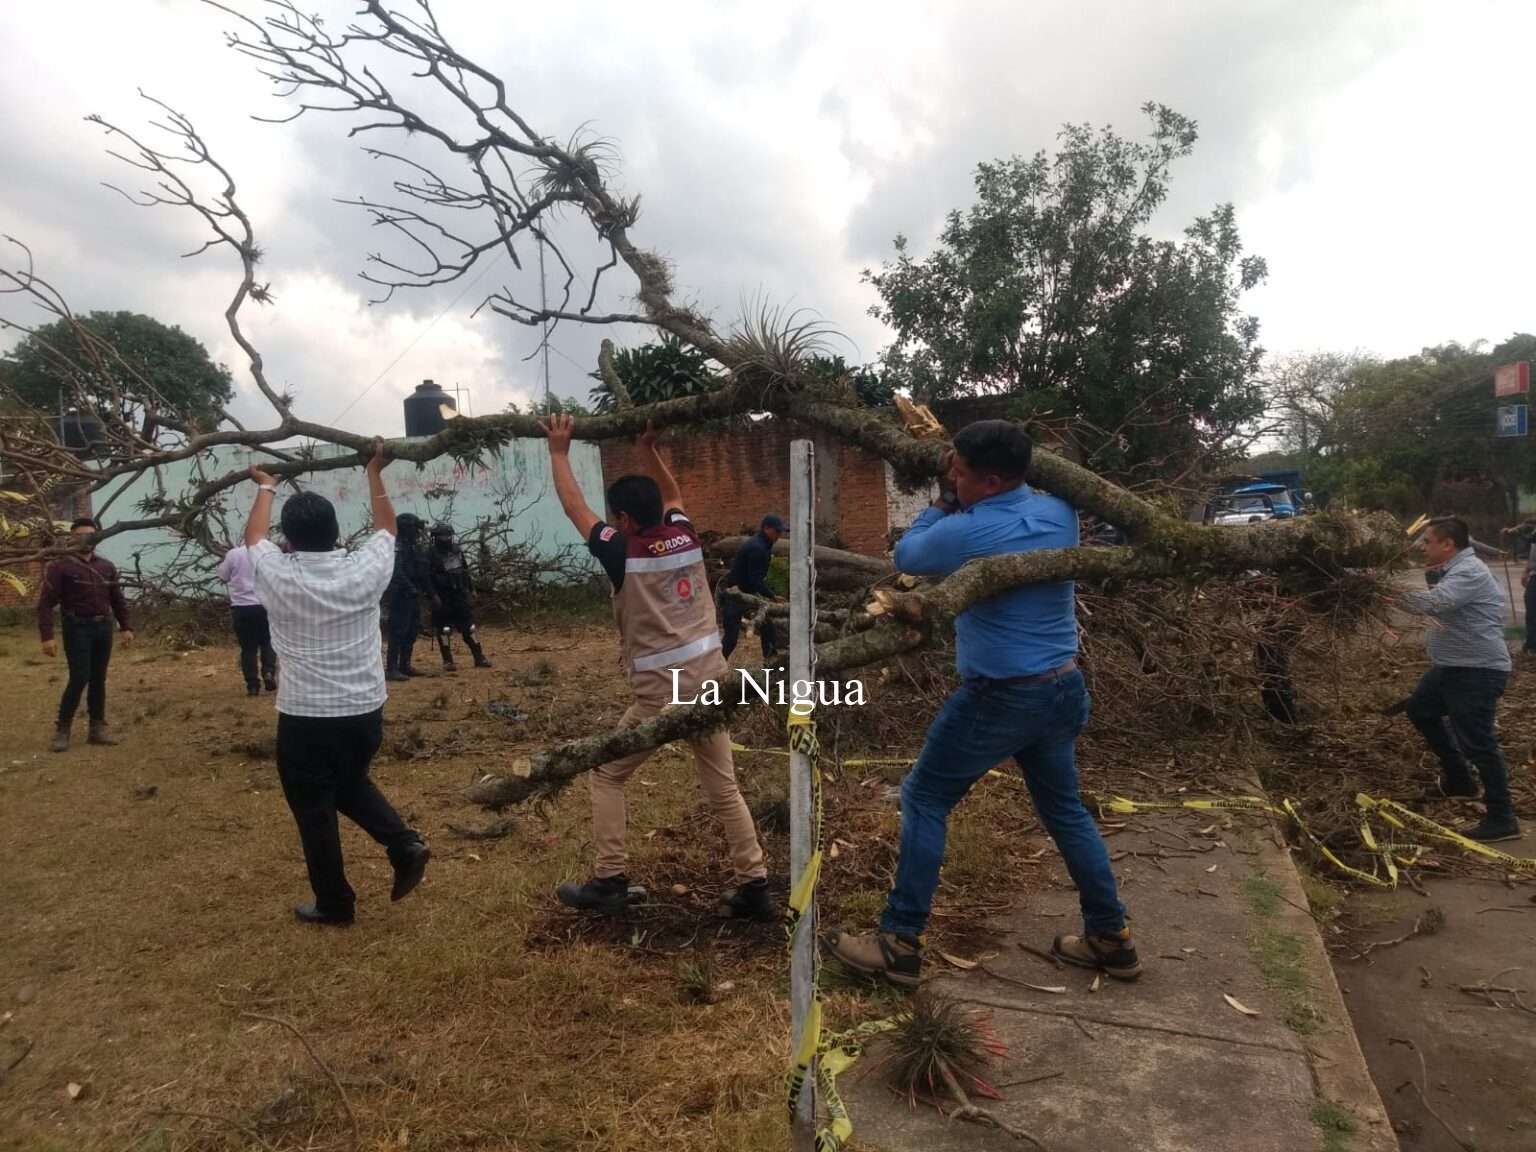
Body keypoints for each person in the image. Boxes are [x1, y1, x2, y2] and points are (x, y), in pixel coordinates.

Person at [827, 420, 1140, 986]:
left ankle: (899, 941)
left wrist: (943, 502)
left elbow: (908, 555)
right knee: (1065, 811)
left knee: (923, 796)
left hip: (1000, 695)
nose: (954, 479)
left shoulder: (967, 531)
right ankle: (1110, 937)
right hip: (1063, 688)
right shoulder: (1059, 513)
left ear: (991, 481)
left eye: (961, 474)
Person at [539, 414, 771, 919]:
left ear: (622, 519)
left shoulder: (621, 551)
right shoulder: (685, 537)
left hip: (659, 695)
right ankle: (753, 882)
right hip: (712, 683)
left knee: (607, 775)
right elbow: (675, 495)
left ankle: (610, 879)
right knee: (724, 786)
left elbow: (574, 507)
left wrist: (559, 453)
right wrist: (649, 449)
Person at [244, 443, 431, 925]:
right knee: (347, 782)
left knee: (314, 808)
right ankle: (404, 844)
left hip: (306, 715)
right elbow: (387, 528)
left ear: (289, 537)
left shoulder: (277, 573)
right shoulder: (362, 569)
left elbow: (253, 537)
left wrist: (266, 487)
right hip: (364, 708)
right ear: (336, 532)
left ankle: (334, 903)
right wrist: (374, 472)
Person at [1400, 517, 1520, 842]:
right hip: (1452, 667)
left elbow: (1437, 603)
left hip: (1476, 671)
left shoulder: (1469, 572)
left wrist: (1384, 592)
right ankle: (1460, 781)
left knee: (1479, 744)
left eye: (1427, 542)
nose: (1423, 547)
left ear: (1448, 544)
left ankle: (1502, 817)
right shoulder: (1453, 570)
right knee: (1420, 709)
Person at [37, 517, 135, 752]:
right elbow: (44, 604)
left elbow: (117, 599)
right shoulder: (60, 567)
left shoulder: (106, 566)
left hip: (103, 628)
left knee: (98, 678)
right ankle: (63, 729)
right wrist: (47, 636)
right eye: (80, 535)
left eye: (91, 534)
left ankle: (97, 728)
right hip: (77, 628)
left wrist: (126, 627)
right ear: (72, 537)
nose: (86, 539)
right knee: (80, 676)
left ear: (98, 537)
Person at [720, 514, 783, 663]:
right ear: (766, 528)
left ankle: (771, 662)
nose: (779, 536)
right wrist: (772, 596)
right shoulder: (758, 548)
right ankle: (716, 667)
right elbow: (755, 580)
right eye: (776, 531)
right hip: (736, 595)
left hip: (748, 593)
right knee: (731, 638)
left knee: (768, 628)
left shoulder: (762, 545)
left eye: (780, 532)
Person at [218, 543, 278, 697]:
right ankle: (269, 673)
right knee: (268, 642)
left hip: (242, 608)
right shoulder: (270, 552)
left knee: (248, 648)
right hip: (265, 605)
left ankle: (252, 685)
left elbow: (222, 576)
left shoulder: (233, 554)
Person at [428, 522, 490, 671]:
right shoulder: (430, 553)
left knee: (469, 627)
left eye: (448, 535)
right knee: (444, 630)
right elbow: (426, 577)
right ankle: (448, 661)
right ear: (436, 537)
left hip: (459, 594)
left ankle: (479, 657)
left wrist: (472, 589)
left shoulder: (456, 550)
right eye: (443, 535)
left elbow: (465, 571)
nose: (446, 538)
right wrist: (432, 595)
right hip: (442, 595)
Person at [384, 513, 428, 682]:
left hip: (412, 594)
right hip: (400, 595)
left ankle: (405, 665)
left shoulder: (412, 546)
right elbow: (396, 571)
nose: (417, 533)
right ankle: (392, 668)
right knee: (398, 632)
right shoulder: (398, 546)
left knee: (411, 630)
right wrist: (410, 588)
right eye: (415, 529)